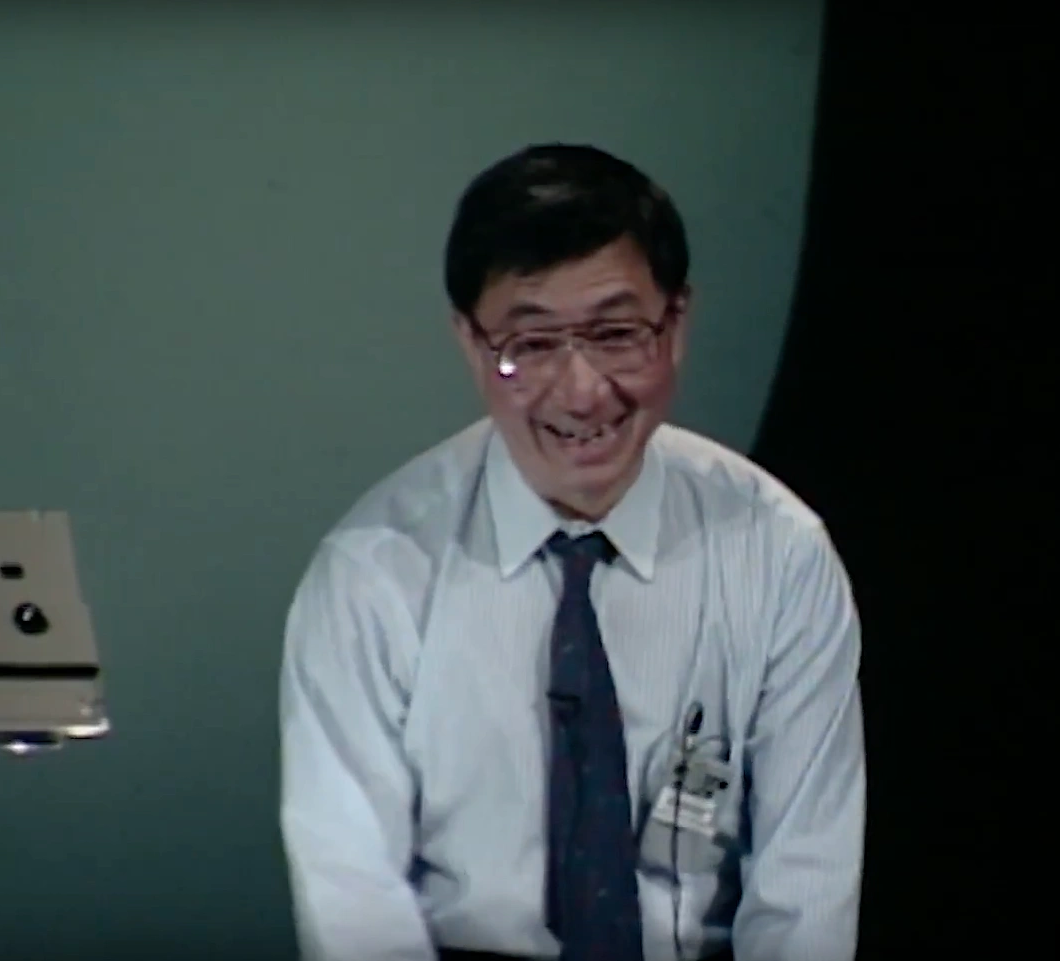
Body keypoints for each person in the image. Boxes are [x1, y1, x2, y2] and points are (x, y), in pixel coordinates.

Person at [278, 143, 866, 961]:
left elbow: (807, 895)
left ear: (678, 321)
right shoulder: (373, 573)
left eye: (618, 333)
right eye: (531, 344)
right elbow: (353, 903)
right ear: (469, 342)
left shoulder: (780, 554)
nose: (583, 389)